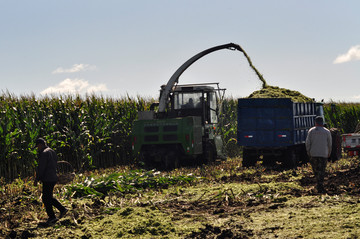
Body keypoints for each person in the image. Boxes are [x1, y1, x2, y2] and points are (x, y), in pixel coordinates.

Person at [34, 138, 68, 225]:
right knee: (48, 197)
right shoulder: (52, 151)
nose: (37, 148)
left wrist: (37, 179)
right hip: (53, 177)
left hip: (47, 178)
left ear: (40, 144)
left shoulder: (44, 153)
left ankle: (52, 217)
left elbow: (41, 168)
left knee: (45, 198)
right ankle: (62, 209)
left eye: (37, 146)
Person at [305, 117, 332, 193]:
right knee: (322, 170)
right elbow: (330, 143)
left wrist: (308, 152)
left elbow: (307, 143)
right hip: (323, 153)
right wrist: (329, 152)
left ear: (315, 122)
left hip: (314, 153)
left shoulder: (311, 131)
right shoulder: (327, 132)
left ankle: (318, 184)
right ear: (322, 122)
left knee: (316, 170)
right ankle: (320, 185)